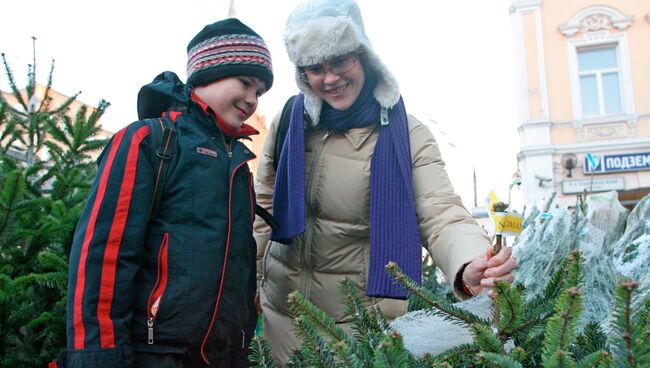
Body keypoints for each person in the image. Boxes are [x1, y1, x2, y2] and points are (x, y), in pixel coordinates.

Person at [252, 0, 517, 363]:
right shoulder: (289, 122)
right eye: (315, 67)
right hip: (280, 319)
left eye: (340, 61)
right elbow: (263, 209)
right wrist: (247, 283)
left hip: (361, 328)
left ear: (363, 56)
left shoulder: (408, 134)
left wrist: (470, 262)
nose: (329, 78)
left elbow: (441, 214)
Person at [55, 18, 273, 368]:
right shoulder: (149, 142)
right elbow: (102, 254)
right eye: (245, 83)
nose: (252, 100)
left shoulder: (237, 167)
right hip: (151, 352)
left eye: (260, 92)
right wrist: (97, 357)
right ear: (205, 75)